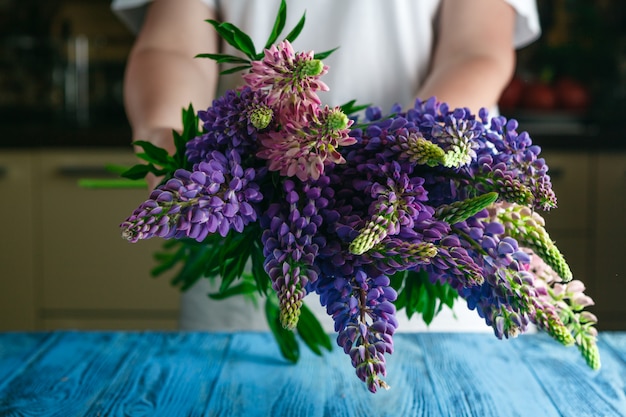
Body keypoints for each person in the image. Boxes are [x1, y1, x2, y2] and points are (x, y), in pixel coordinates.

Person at [112, 0, 541, 332]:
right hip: (246, 243)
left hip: (415, 241)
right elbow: (170, 45)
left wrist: (412, 152)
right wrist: (164, 130)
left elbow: (477, 50)